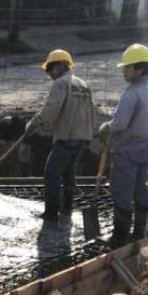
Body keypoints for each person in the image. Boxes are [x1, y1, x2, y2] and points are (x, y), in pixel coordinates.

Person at [100, 44, 148, 248]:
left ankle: (119, 237)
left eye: (127, 67)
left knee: (121, 190)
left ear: (139, 69)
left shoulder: (133, 92)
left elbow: (119, 124)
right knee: (140, 187)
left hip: (127, 149)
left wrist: (105, 127)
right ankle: (140, 232)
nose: (123, 71)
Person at [26, 49, 94, 221]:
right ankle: (67, 209)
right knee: (69, 173)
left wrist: (33, 123)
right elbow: (90, 112)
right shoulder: (83, 84)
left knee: (52, 174)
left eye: (50, 68)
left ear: (61, 65)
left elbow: (50, 110)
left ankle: (51, 213)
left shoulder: (61, 83)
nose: (49, 73)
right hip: (83, 138)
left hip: (66, 137)